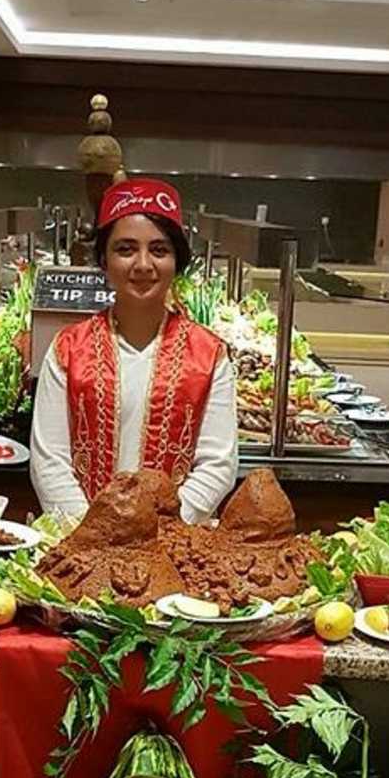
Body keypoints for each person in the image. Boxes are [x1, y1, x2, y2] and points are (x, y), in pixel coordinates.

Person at [30, 177, 237, 523]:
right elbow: (49, 462)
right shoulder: (69, 349)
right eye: (125, 249)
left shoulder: (209, 355)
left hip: (175, 542)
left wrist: (157, 532)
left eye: (159, 250)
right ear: (104, 260)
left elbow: (217, 465)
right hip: (82, 538)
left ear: (177, 260)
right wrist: (92, 530)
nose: (143, 264)